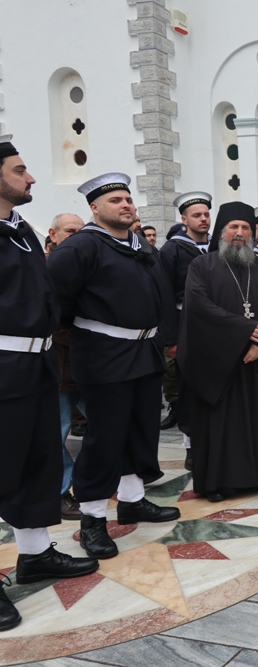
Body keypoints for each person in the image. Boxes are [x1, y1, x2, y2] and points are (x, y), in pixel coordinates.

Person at [48, 172, 180, 559]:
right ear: (94, 208)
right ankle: (92, 519)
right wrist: (92, 338)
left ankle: (133, 499)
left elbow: (162, 294)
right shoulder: (80, 248)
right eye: (114, 200)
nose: (125, 204)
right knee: (104, 438)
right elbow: (56, 304)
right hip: (104, 357)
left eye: (127, 198)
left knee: (140, 431)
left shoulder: (142, 246)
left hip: (145, 353)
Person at [0, 135, 98, 631]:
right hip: (2, 366)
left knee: (37, 462)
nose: (32, 177)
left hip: (36, 366)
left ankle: (34, 553)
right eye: (20, 170)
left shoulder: (19, 230)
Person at [179, 201, 258, 502]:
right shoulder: (202, 265)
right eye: (233, 228)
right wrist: (243, 333)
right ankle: (218, 481)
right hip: (219, 363)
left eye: (244, 228)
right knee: (221, 425)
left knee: (257, 419)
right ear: (222, 232)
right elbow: (198, 307)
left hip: (256, 362)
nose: (239, 233)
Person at [159, 192, 213, 465]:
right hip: (186, 328)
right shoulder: (172, 249)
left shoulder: (216, 247)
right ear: (184, 219)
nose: (203, 219)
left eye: (206, 214)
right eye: (197, 215)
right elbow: (165, 295)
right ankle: (192, 445)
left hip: (216, 329)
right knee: (189, 388)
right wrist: (172, 338)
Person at [46, 214, 86, 520]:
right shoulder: (44, 267)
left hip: (91, 366)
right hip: (58, 368)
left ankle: (89, 480)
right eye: (70, 231)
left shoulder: (87, 265)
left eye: (81, 232)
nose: (76, 236)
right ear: (54, 235)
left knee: (107, 424)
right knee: (55, 433)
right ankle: (60, 492)